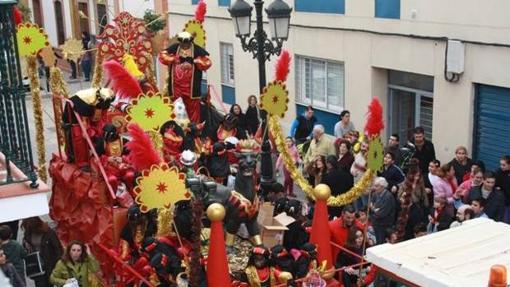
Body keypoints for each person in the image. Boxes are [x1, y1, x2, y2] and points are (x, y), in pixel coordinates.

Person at [159, 31, 211, 123]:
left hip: (191, 89)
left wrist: (196, 61)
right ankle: (182, 129)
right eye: (183, 43)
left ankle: (194, 131)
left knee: (193, 112)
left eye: (186, 43)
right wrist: (173, 59)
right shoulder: (174, 48)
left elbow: (207, 63)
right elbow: (162, 56)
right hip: (177, 87)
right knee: (179, 110)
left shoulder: (197, 50)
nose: (185, 45)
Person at [21, 217, 63, 287]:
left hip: (49, 264)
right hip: (37, 265)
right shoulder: (28, 233)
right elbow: (25, 247)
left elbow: (57, 248)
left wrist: (58, 264)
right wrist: (25, 244)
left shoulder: (48, 232)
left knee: (49, 284)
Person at [370, 177, 396, 245]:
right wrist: (374, 210)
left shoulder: (388, 197)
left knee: (381, 244)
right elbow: (370, 206)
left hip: (384, 225)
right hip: (376, 224)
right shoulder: (375, 194)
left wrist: (374, 210)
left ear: (382, 186)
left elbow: (381, 214)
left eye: (376, 186)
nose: (374, 188)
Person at [495, 155, 510, 224]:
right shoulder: (498, 172)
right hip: (505, 202)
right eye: (501, 164)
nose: (501, 166)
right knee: (505, 222)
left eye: (504, 165)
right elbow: (496, 185)